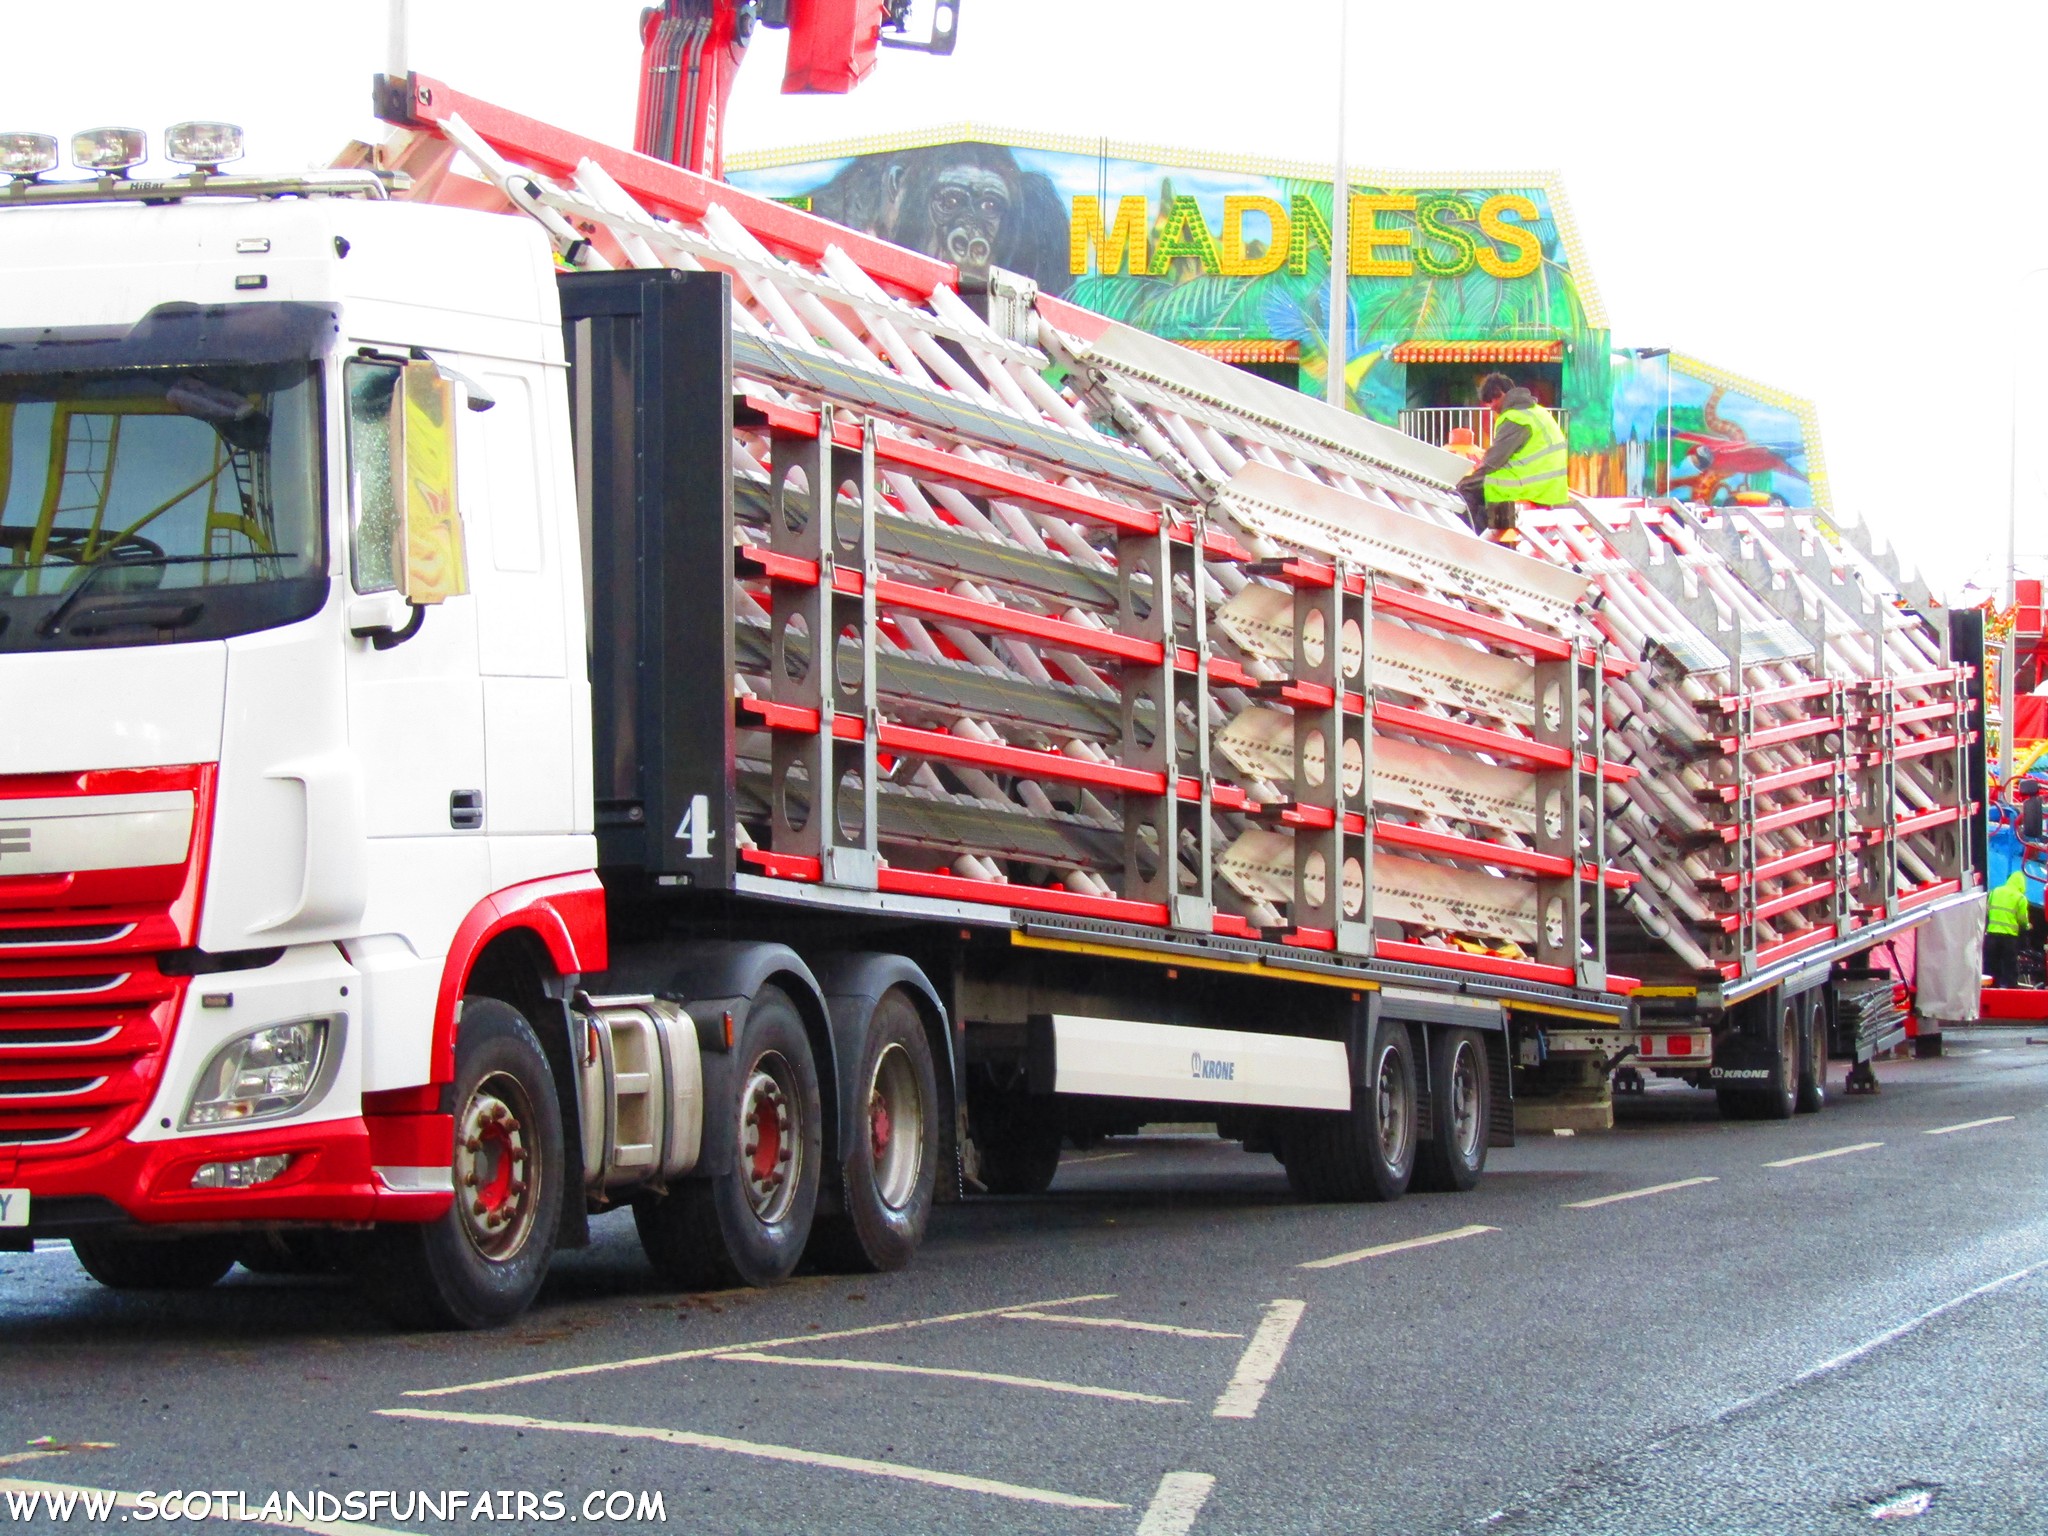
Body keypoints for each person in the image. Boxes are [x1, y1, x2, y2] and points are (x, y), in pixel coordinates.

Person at [1455, 373, 1570, 546]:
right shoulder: (1538, 412)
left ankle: (1464, 543)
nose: (1493, 409)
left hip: (1527, 486)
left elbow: (1493, 462)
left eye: (1492, 403)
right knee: (1478, 492)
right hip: (1551, 488)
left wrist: (1464, 483)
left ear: (1500, 393)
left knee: (1466, 493)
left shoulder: (1514, 417)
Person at [1986, 867, 2027, 989]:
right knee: (2010, 965)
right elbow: (2022, 919)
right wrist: (2027, 926)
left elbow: (1988, 911)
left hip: (1992, 934)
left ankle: (1992, 988)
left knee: (1992, 964)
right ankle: (2012, 989)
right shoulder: (2020, 898)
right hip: (2009, 937)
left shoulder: (1995, 891)